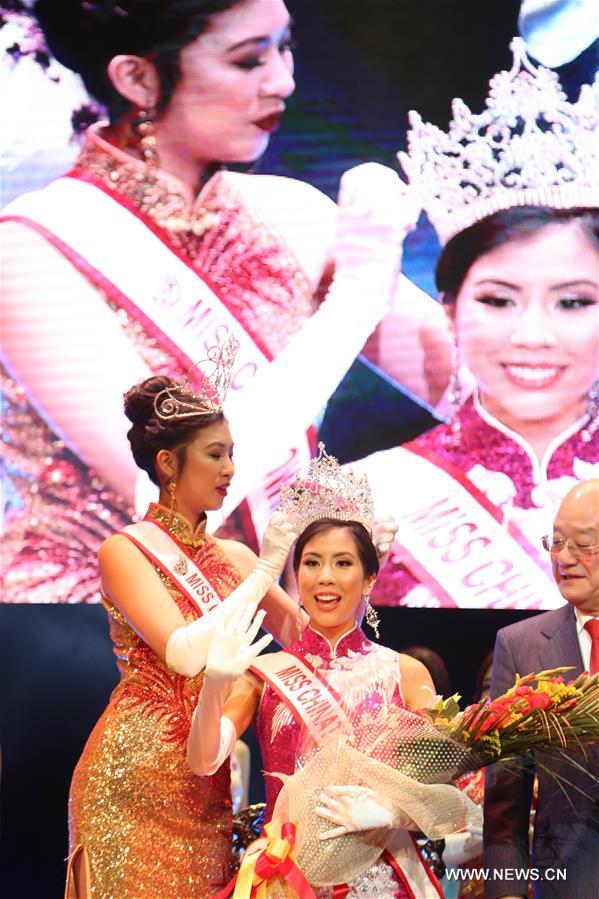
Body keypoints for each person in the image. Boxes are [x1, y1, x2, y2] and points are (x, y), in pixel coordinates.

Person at [0, 0, 418, 603]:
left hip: (259, 622)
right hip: (82, 629)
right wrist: (353, 302)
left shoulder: (295, 215)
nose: (283, 80)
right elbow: (173, 494)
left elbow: (483, 385)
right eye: (249, 59)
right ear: (137, 78)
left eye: (285, 46)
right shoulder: (31, 247)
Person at [351, 38, 599, 610]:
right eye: (498, 300)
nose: (532, 335)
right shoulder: (365, 497)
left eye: (573, 303)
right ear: (449, 310)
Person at [64, 343, 307, 898]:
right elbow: (183, 652)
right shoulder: (124, 550)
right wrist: (265, 568)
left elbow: (310, 639)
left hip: (208, 779)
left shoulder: (238, 560)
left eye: (231, 454)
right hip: (132, 777)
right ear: (169, 463)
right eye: (215, 455)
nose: (230, 469)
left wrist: (353, 570)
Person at [188, 447, 473, 897]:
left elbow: (455, 785)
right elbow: (203, 760)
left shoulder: (406, 671)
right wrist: (215, 684)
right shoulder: (265, 675)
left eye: (343, 563)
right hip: (287, 877)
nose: (325, 577)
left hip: (384, 874)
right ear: (295, 573)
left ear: (369, 577)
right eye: (311, 562)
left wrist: (393, 811)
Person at [483, 478, 599, 898]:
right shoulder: (521, 647)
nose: (562, 558)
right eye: (556, 541)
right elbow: (504, 805)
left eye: (581, 544)